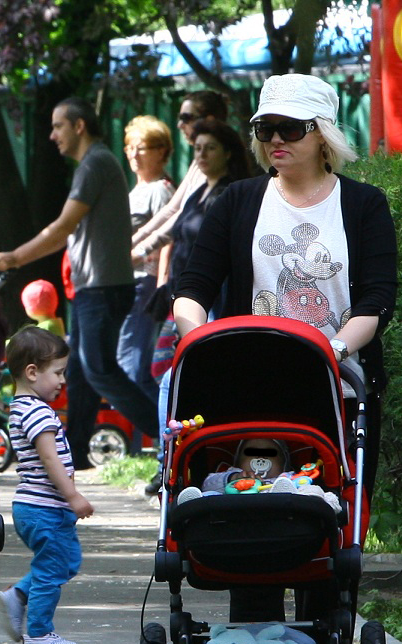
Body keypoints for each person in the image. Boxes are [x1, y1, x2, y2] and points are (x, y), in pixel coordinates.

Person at [172, 73, 398, 644]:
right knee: (253, 516)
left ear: (323, 135)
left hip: (338, 385)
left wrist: (333, 350)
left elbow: (376, 299)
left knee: (329, 527)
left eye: (288, 129)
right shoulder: (239, 201)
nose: (273, 140)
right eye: (264, 128)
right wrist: (200, 336)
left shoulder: (361, 206)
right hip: (250, 388)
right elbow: (192, 286)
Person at [0, 97, 158, 468]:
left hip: (103, 288)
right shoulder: (93, 164)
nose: (51, 136)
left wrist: (15, 257)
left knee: (98, 369)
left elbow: (62, 228)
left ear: (79, 126)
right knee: (79, 372)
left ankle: (166, 436)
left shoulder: (95, 162)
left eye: (57, 126)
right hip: (92, 288)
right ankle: (76, 453)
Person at [146, 120, 251, 495]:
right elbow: (174, 235)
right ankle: (173, 455)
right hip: (183, 299)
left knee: (172, 380)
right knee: (164, 374)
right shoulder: (197, 193)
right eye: (197, 148)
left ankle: (171, 459)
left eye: (209, 148)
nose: (201, 155)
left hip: (216, 304)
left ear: (228, 152)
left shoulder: (232, 195)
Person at [0, 327, 94, 644]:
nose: (63, 381)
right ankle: (38, 633)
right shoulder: (37, 411)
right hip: (44, 509)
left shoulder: (22, 407)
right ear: (32, 372)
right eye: (58, 373)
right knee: (52, 567)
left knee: (67, 561)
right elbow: (50, 459)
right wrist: (73, 496)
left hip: (43, 509)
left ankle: (19, 595)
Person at [131, 90, 229, 263]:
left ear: (210, 120)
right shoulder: (197, 163)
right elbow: (172, 209)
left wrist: (141, 251)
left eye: (187, 117)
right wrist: (133, 244)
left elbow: (182, 214)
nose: (179, 125)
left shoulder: (219, 170)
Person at [117, 115, 175, 403]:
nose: (133, 154)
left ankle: (149, 432)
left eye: (141, 148)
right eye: (129, 147)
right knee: (130, 358)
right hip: (129, 280)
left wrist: (161, 282)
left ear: (161, 151)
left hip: (145, 280)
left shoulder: (161, 190)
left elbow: (168, 239)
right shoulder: (137, 189)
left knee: (132, 360)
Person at [176, 437, 341, 512]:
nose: (260, 458)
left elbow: (306, 485)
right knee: (209, 494)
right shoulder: (232, 474)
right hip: (230, 509)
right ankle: (193, 504)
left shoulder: (288, 476)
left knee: (311, 491)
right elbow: (207, 483)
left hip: (282, 507)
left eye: (270, 454)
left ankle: (328, 505)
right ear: (238, 462)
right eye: (251, 453)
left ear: (284, 462)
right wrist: (232, 478)